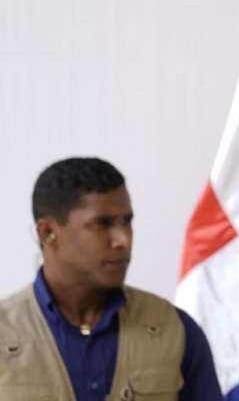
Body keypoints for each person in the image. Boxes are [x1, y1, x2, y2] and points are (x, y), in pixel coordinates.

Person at [0, 157, 223, 400]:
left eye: (126, 222)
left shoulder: (174, 329)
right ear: (48, 232)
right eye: (102, 224)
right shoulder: (5, 333)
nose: (123, 240)